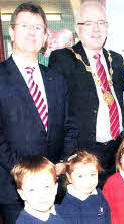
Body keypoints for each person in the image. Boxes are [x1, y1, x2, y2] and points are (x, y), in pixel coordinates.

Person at [0, 3, 78, 223]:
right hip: (14, 188)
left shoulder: (57, 78)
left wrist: (64, 160)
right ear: (12, 32)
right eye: (25, 26)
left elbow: (70, 124)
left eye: (38, 27)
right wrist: (26, 173)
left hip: (54, 186)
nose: (32, 32)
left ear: (45, 36)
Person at [48, 1, 124, 188]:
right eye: (89, 23)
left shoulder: (116, 59)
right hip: (82, 153)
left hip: (116, 150)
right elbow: (56, 111)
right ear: (78, 28)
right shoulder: (62, 59)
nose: (96, 29)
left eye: (101, 23)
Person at [56, 150, 111, 223]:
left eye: (92, 174)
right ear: (69, 178)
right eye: (80, 176)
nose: (88, 181)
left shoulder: (98, 194)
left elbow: (107, 218)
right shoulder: (66, 207)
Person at [11, 156, 65, 223]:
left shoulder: (64, 212)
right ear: (22, 194)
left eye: (46, 187)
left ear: (55, 188)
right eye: (32, 190)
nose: (41, 195)